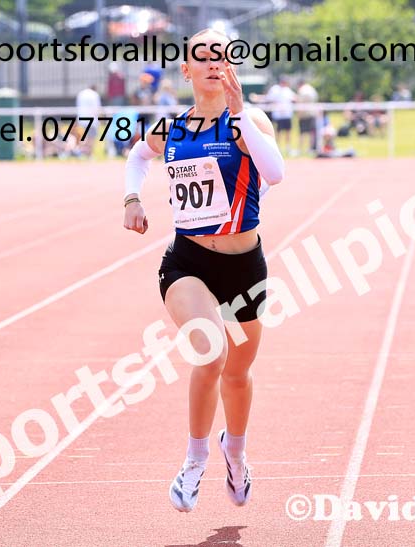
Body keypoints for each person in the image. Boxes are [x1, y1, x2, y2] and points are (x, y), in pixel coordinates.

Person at [122, 28, 285, 514]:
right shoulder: (172, 128)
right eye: (203, 58)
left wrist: (239, 117)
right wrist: (132, 197)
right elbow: (137, 155)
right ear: (186, 70)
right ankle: (194, 462)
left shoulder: (249, 120)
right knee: (211, 353)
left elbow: (275, 173)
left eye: (223, 57)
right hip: (188, 262)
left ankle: (234, 451)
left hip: (244, 265)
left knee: (238, 373)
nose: (214, 64)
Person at [262, 76, 295, 153]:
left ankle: (288, 147)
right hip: (278, 115)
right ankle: (277, 147)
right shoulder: (275, 89)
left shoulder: (288, 90)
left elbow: (293, 98)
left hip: (287, 115)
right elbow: (269, 98)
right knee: (278, 131)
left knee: (288, 131)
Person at [75, 84, 102, 155]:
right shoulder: (95, 95)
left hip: (81, 120)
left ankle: (81, 152)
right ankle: (88, 153)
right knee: (91, 138)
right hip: (92, 120)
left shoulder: (81, 94)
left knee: (83, 138)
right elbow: (97, 108)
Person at [295, 79, 319, 154]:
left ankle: (301, 149)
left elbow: (300, 103)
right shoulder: (312, 89)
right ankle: (310, 148)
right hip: (312, 113)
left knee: (302, 133)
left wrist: (299, 114)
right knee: (311, 132)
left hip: (303, 114)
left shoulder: (301, 90)